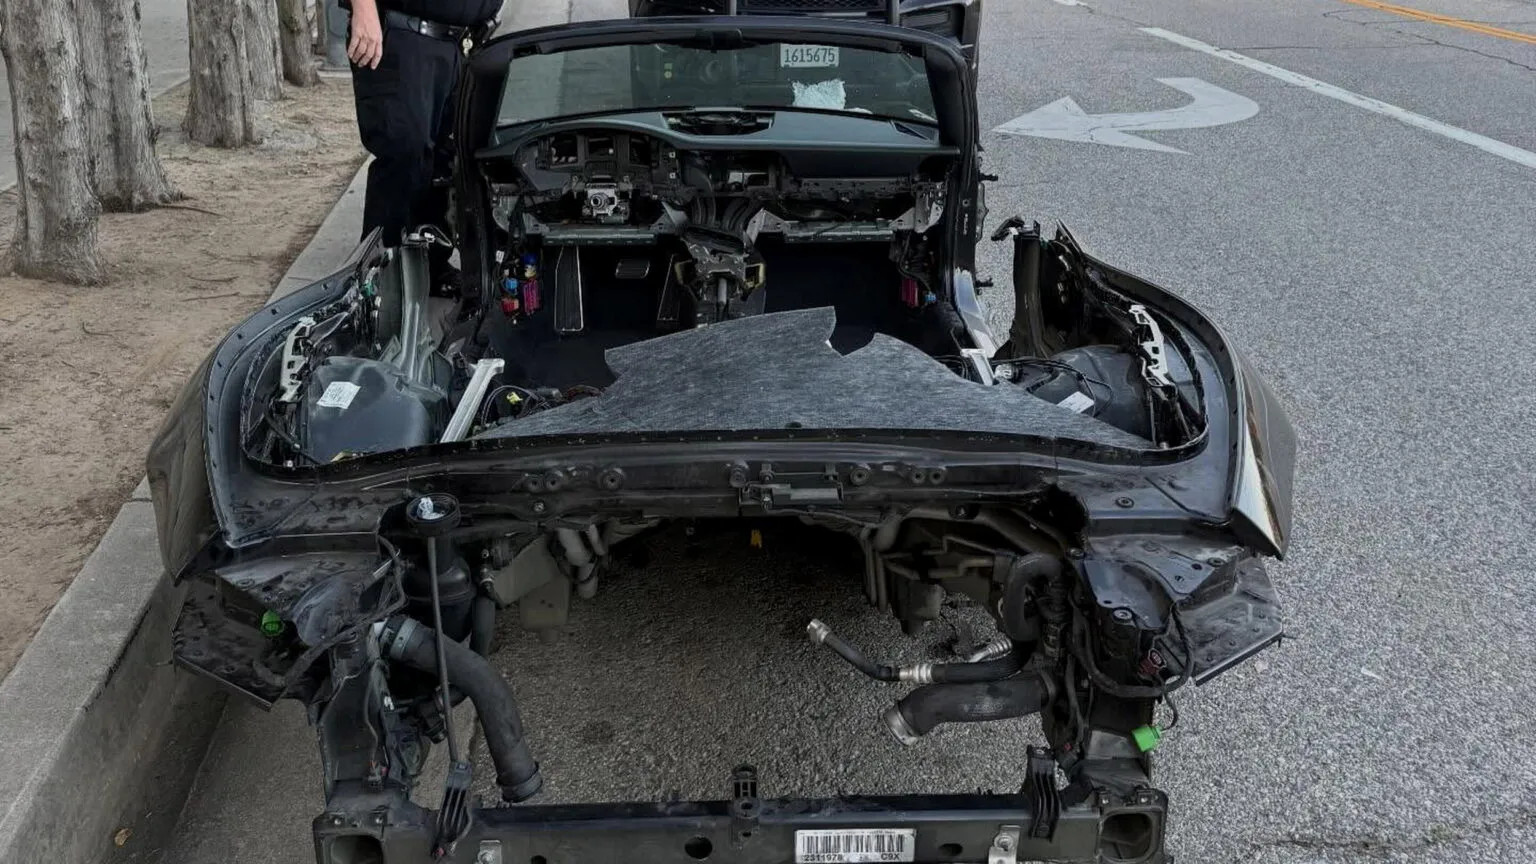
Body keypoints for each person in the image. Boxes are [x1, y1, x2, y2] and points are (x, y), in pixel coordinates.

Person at [343, 0, 501, 288]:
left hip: (458, 43)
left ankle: (430, 267)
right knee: (405, 153)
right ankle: (376, 279)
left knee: (447, 161)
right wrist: (364, 11)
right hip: (404, 35)